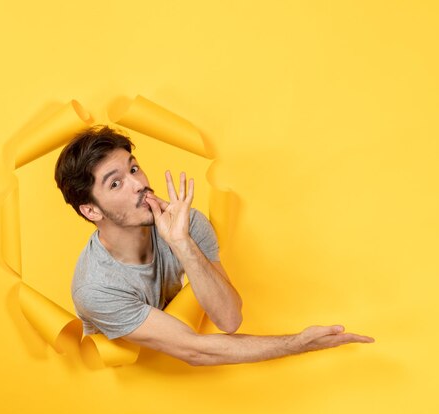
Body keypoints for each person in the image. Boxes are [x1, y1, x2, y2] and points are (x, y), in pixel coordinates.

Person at [55, 125, 375, 366]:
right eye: (116, 183)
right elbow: (194, 350)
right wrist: (297, 344)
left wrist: (181, 243)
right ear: (91, 210)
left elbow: (229, 319)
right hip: (133, 372)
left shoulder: (188, 223)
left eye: (134, 168)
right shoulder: (95, 288)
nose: (139, 184)